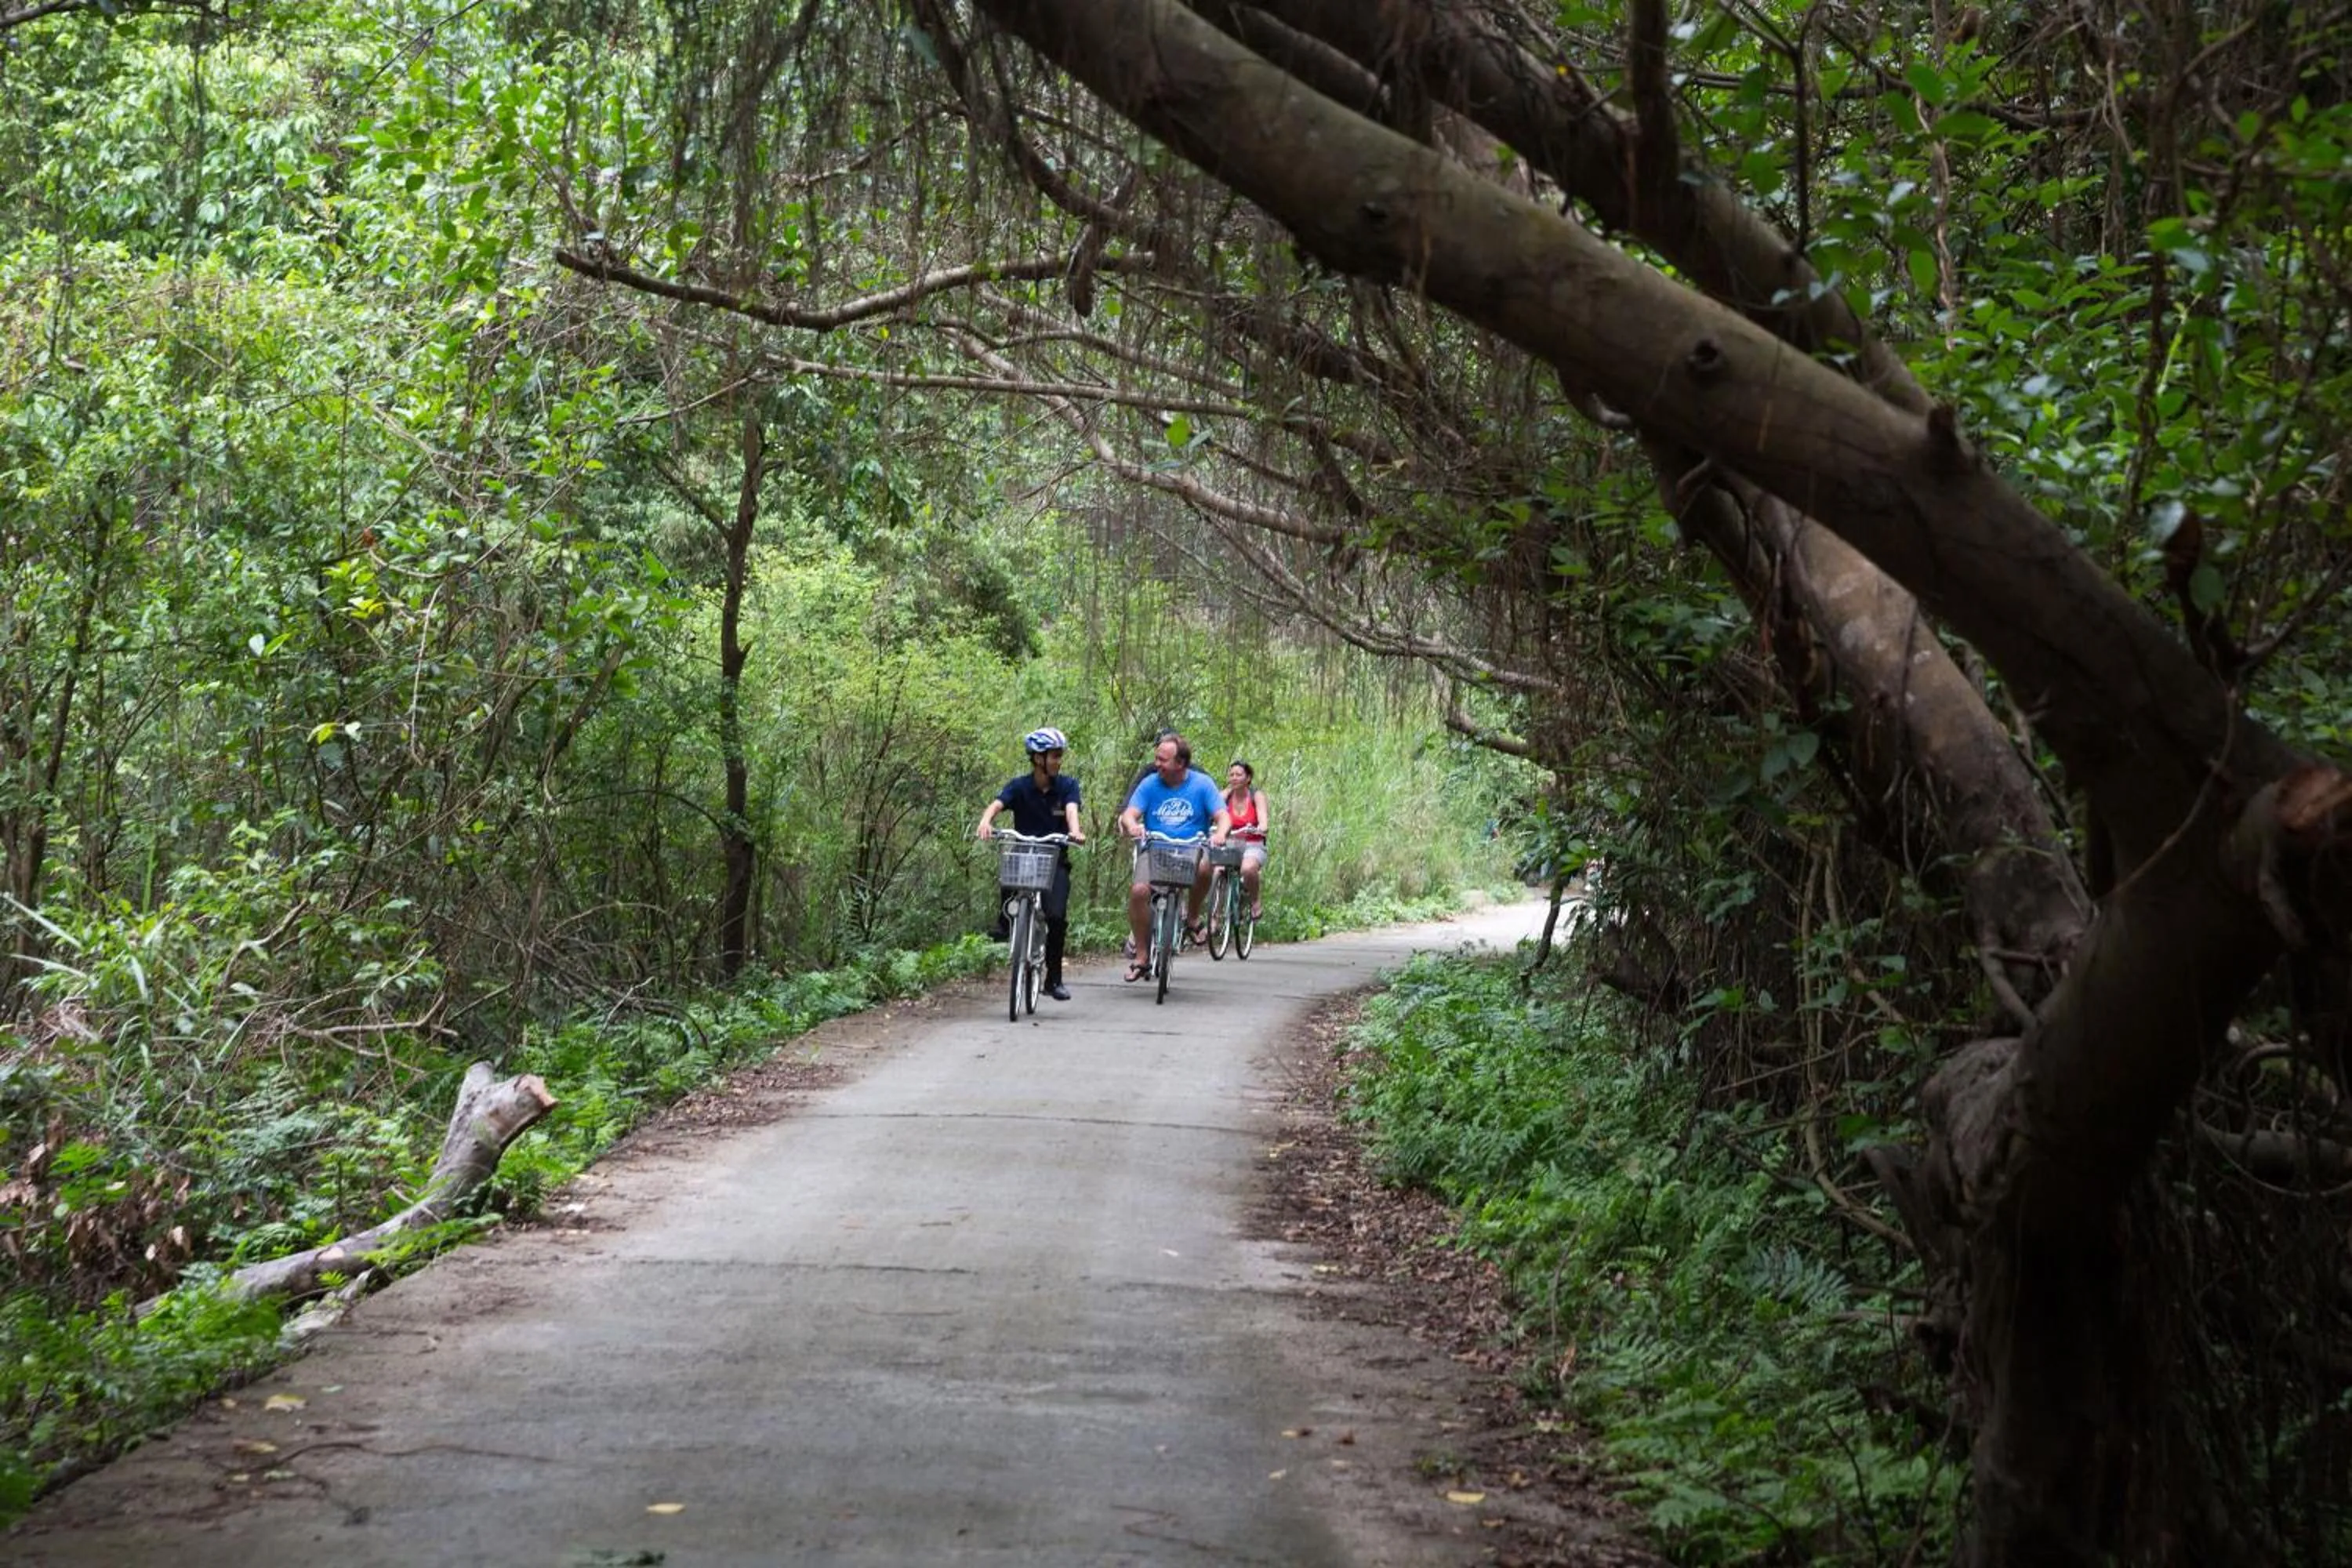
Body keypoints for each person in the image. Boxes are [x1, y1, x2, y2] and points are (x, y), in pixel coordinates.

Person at [975, 727, 1086, 1001]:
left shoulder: (1067, 786)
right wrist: (986, 821)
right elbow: (997, 804)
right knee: (1010, 868)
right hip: (1024, 856)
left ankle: (1053, 979)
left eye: (1060, 756)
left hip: (1054, 858)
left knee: (1056, 917)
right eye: (1055, 756)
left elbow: (1072, 810)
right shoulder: (1020, 786)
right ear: (1038, 759)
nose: (1059, 761)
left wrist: (1075, 831)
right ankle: (1005, 924)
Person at [1117, 733, 1230, 982]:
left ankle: (1192, 917)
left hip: (1192, 847)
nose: (1157, 764)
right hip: (1155, 848)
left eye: (1163, 760)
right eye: (1156, 758)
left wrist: (1220, 834)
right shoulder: (1150, 784)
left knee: (1205, 868)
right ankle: (1142, 957)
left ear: (1180, 763)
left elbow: (1223, 816)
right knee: (1139, 892)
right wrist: (1132, 825)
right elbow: (1130, 813)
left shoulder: (1202, 784)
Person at [1223, 760, 1270, 920]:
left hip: (1253, 843)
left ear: (1248, 778)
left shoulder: (1256, 796)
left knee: (1248, 869)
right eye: (1231, 775)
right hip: (1230, 843)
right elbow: (1213, 810)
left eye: (1239, 775)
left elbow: (1263, 821)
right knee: (1216, 870)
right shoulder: (1226, 795)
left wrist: (1261, 828)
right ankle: (1215, 917)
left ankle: (1255, 900)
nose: (1234, 778)